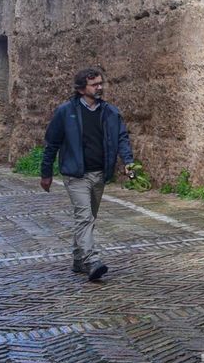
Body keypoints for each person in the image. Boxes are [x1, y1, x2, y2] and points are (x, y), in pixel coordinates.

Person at [40, 67, 134, 282]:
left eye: (101, 83)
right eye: (95, 84)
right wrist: (46, 173)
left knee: (88, 219)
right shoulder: (66, 111)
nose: (100, 87)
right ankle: (92, 261)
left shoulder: (110, 112)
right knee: (84, 217)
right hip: (76, 175)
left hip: (99, 174)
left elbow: (122, 138)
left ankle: (78, 260)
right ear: (82, 89)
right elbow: (51, 143)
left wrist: (128, 162)